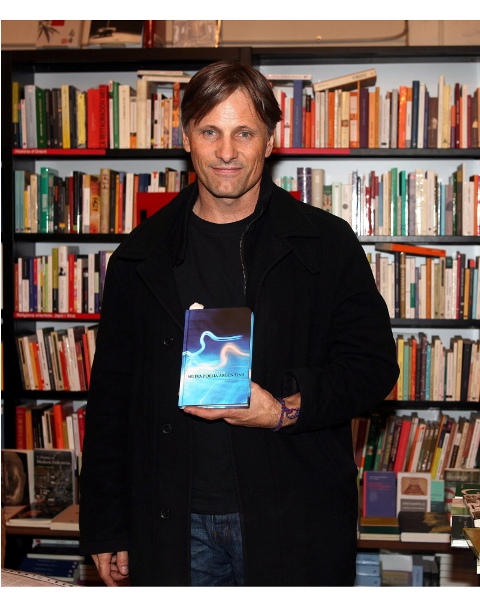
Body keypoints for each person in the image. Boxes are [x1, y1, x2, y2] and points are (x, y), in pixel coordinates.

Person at [79, 60, 399, 587]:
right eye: (211, 132)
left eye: (244, 133)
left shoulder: (326, 244)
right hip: (171, 523)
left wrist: (282, 410)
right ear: (186, 138)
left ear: (270, 141)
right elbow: (112, 400)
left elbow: (373, 367)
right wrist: (106, 524)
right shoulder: (139, 256)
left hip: (293, 515)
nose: (226, 152)